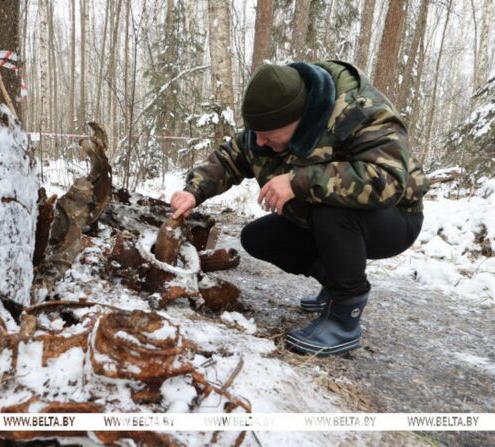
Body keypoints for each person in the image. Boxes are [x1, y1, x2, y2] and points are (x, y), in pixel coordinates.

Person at [170, 61, 428, 357]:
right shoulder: (266, 128)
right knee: (257, 237)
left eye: (268, 134)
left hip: (394, 219)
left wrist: (300, 181)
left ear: (301, 118)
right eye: (256, 132)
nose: (260, 141)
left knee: (330, 208)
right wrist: (193, 192)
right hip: (322, 216)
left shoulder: (359, 112)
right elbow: (231, 158)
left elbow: (388, 181)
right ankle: (332, 284)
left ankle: (345, 318)